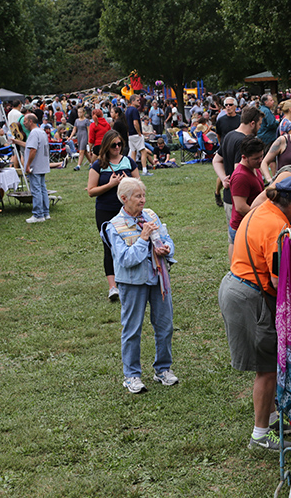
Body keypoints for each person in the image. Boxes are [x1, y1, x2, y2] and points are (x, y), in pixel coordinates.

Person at [217, 176, 291, 450]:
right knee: (267, 369)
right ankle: (260, 436)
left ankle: (271, 420)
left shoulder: (263, 208)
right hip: (251, 296)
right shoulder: (278, 228)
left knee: (268, 365)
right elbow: (278, 281)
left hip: (236, 285)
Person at [103, 177, 177, 394]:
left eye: (144, 195)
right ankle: (132, 375)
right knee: (132, 329)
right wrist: (144, 240)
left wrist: (166, 249)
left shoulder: (151, 216)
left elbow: (167, 239)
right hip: (132, 282)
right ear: (124, 199)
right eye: (138, 196)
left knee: (165, 325)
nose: (143, 200)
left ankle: (163, 369)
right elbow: (125, 260)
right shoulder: (114, 226)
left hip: (158, 278)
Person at [88, 130, 140, 301]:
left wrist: (128, 182)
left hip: (127, 211)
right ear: (106, 146)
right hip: (105, 210)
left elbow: (139, 185)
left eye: (119, 144)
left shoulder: (129, 162)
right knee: (109, 247)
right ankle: (113, 287)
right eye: (113, 145)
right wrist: (110, 185)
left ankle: (129, 280)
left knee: (130, 242)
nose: (117, 148)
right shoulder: (98, 165)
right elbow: (91, 191)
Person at [213, 106, 263, 261]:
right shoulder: (244, 142)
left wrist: (223, 179)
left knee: (233, 239)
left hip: (231, 198)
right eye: (260, 124)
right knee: (238, 240)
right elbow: (239, 172)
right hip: (240, 200)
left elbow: (216, 160)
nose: (260, 127)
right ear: (253, 123)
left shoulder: (229, 135)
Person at [228, 136, 265, 243]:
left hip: (251, 224)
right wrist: (261, 218)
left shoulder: (254, 168)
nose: (260, 161)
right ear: (244, 157)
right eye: (256, 158)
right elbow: (240, 207)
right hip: (243, 227)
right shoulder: (241, 176)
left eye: (261, 156)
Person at [23, 114, 51, 224]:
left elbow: (33, 149)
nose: (24, 123)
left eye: (25, 121)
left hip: (35, 166)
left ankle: (38, 214)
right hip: (42, 164)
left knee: (36, 190)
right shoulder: (41, 132)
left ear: (30, 121)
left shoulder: (33, 133)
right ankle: (45, 212)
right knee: (42, 188)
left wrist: (28, 165)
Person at [126, 95, 151, 176]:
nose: (139, 101)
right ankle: (144, 170)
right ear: (132, 101)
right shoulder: (134, 110)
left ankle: (133, 171)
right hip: (136, 134)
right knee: (143, 151)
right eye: (137, 100)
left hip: (130, 134)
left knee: (133, 152)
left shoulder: (127, 110)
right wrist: (139, 133)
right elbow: (135, 122)